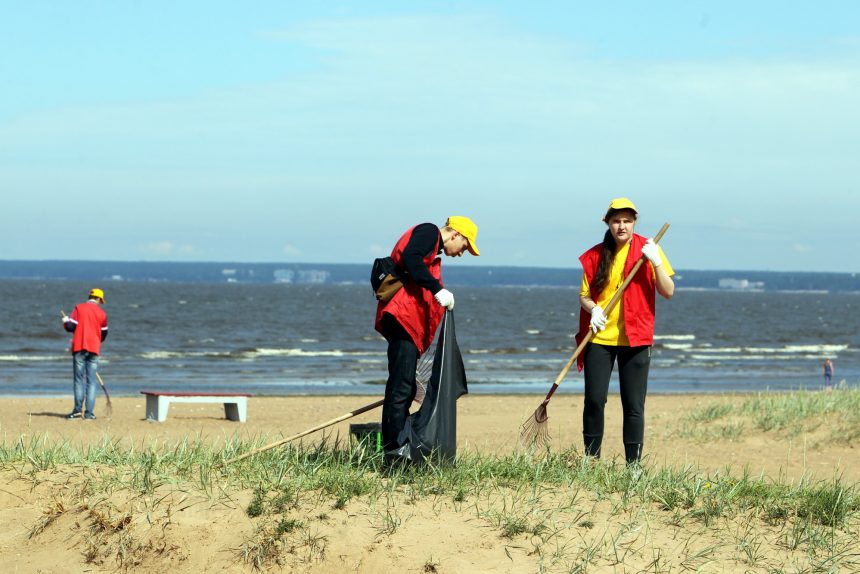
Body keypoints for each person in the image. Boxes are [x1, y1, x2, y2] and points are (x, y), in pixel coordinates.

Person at [575, 198, 674, 465]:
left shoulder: (649, 249)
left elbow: (668, 291)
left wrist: (656, 262)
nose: (622, 226)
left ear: (634, 223)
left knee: (633, 406)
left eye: (627, 221)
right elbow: (584, 295)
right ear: (607, 223)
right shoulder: (594, 255)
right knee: (594, 400)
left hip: (636, 337)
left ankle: (634, 466)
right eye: (616, 220)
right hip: (600, 337)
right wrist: (593, 309)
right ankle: (591, 459)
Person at [374, 216, 480, 456]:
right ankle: (394, 452)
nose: (460, 254)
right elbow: (411, 258)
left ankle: (399, 444)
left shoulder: (432, 246)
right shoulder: (428, 232)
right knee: (401, 388)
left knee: (406, 387)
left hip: (404, 320)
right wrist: (437, 289)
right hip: (401, 319)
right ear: (455, 235)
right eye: (464, 247)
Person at [62, 288, 109, 420]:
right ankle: (89, 413)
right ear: (99, 299)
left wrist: (66, 321)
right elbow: (104, 334)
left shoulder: (79, 308)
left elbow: (71, 327)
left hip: (79, 347)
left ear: (89, 296)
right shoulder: (102, 313)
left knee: (78, 380)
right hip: (94, 349)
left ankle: (77, 411)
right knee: (91, 382)